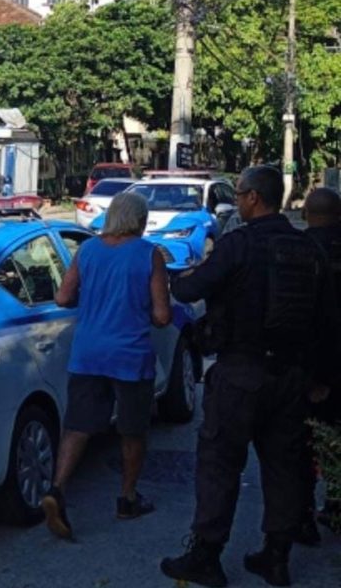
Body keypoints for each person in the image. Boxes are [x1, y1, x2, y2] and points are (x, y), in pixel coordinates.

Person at [160, 166, 336, 588]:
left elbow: (188, 291)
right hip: (292, 377)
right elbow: (328, 322)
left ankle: (206, 554)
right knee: (284, 467)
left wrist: (187, 275)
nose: (236, 200)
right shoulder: (309, 250)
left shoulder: (238, 245)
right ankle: (277, 556)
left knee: (220, 464)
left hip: (241, 372)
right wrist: (321, 376)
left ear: (254, 198)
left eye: (239, 193)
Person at [43, 192, 172, 541]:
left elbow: (63, 298)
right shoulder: (149, 255)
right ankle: (127, 499)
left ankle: (57, 489)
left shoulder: (87, 251)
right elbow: (162, 315)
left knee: (77, 426)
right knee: (132, 430)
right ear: (140, 220)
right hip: (130, 356)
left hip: (87, 353)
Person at [300, 188, 341, 540]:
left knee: (303, 442)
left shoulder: (298, 250)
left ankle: (302, 515)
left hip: (309, 364)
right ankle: (335, 504)